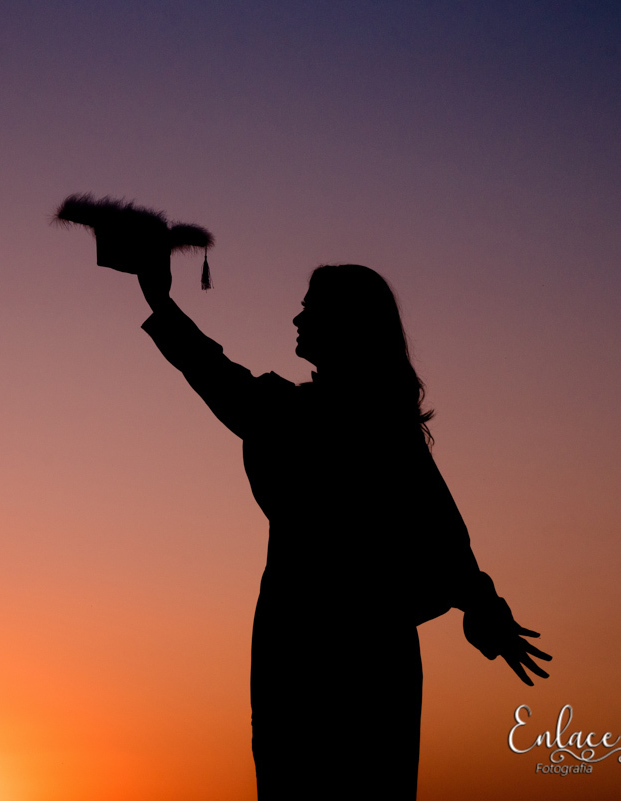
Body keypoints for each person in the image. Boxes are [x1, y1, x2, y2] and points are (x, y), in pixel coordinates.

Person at [132, 259, 551, 800]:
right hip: (350, 657)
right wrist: (481, 603)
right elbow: (447, 538)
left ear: (347, 324)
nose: (297, 318)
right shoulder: (366, 423)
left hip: (317, 658)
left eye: (312, 307)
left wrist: (162, 305)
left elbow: (443, 535)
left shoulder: (312, 417)